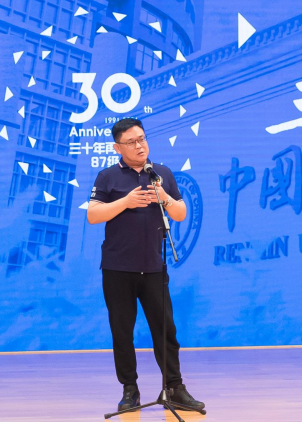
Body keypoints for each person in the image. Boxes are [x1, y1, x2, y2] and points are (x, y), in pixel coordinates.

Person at [86, 118, 205, 412]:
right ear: (118, 148)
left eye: (142, 139)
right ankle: (130, 390)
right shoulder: (107, 176)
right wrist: (125, 202)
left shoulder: (162, 173)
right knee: (122, 331)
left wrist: (164, 197)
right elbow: (93, 215)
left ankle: (174, 388)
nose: (139, 146)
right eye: (131, 142)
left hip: (153, 267)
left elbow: (180, 213)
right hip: (117, 268)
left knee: (166, 331)